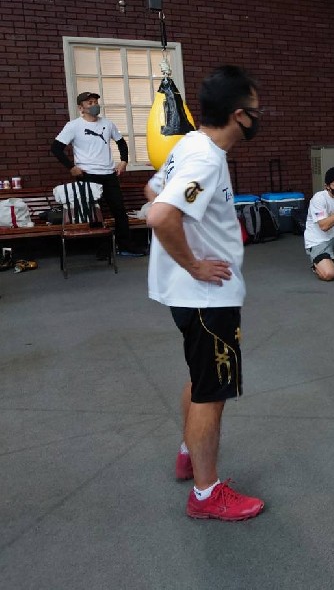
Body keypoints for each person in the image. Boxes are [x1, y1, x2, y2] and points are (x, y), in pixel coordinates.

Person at [145, 65, 265, 521]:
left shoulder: (190, 145)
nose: (257, 117)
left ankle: (188, 454)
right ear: (239, 115)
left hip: (188, 296)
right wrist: (194, 264)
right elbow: (160, 215)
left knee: (200, 379)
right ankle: (206, 493)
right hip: (206, 297)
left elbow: (152, 190)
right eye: (255, 110)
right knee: (211, 393)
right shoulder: (206, 159)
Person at [51, 92, 146, 256]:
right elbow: (56, 148)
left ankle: (126, 246)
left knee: (119, 211)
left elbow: (121, 143)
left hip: (109, 174)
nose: (94, 105)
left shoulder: (108, 124)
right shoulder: (73, 126)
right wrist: (71, 167)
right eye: (90, 103)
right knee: (94, 214)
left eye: (95, 102)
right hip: (87, 175)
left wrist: (123, 161)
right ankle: (102, 251)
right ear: (81, 108)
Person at [304, 166, 334, 281]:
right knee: (329, 274)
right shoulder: (318, 199)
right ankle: (318, 264)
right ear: (327, 186)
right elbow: (324, 226)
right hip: (318, 241)